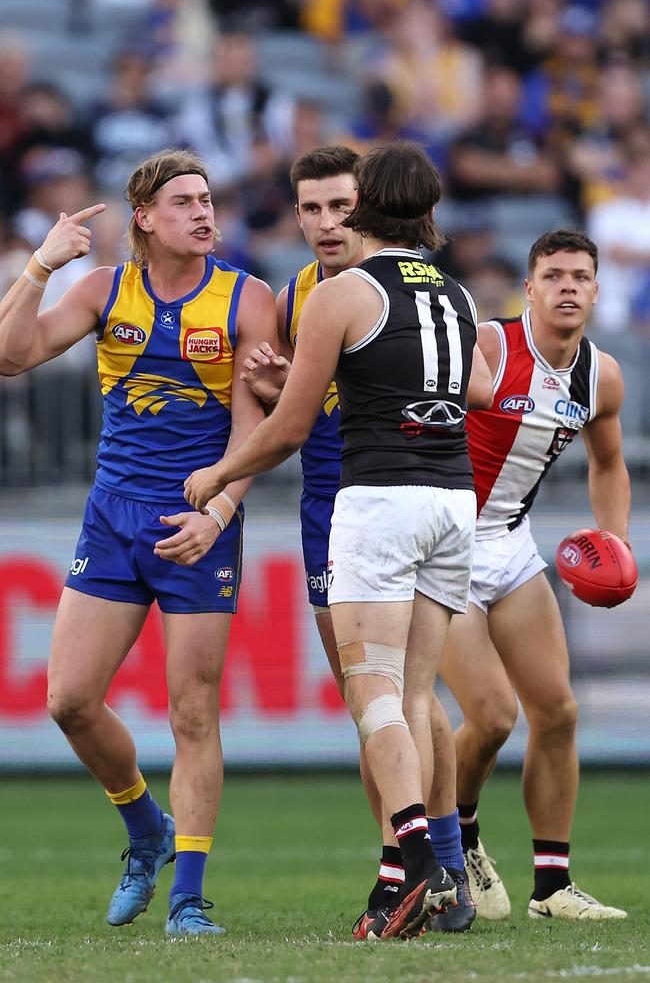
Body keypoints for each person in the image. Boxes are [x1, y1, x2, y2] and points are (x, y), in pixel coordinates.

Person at [184, 142, 489, 940]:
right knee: (418, 697)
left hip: (378, 502)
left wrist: (218, 476)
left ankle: (418, 859)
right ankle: (418, 882)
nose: (328, 221)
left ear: (365, 208)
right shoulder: (455, 295)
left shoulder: (342, 293)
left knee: (373, 693)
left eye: (339, 207)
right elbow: (483, 389)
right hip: (452, 502)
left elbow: (288, 428)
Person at [0, 148, 276, 936]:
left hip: (200, 521)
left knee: (192, 714)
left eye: (208, 198)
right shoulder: (102, 290)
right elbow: (9, 355)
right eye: (184, 201)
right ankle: (144, 829)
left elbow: (252, 423)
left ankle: (189, 899)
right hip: (112, 517)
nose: (204, 212)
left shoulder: (246, 297)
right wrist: (36, 267)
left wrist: (217, 514)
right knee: (69, 700)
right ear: (145, 218)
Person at [435, 229, 631, 921]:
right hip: (445, 547)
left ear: (597, 290)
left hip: (511, 546)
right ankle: (459, 837)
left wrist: (614, 541)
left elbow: (608, 463)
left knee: (558, 711)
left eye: (581, 275)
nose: (568, 287)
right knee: (490, 716)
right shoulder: (491, 345)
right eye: (553, 275)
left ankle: (552, 888)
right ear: (530, 288)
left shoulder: (600, 375)